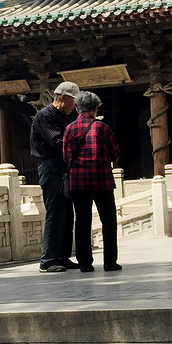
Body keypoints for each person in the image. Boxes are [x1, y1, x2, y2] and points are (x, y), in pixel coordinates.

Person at [63, 90, 122, 273]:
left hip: (78, 183)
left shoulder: (69, 129)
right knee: (108, 221)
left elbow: (65, 156)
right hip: (102, 181)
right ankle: (110, 262)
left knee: (82, 221)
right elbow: (115, 155)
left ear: (77, 109)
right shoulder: (103, 128)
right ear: (95, 109)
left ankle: (85, 263)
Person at [30, 81, 79, 273]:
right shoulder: (45, 115)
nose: (74, 107)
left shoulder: (71, 114)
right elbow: (57, 141)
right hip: (50, 165)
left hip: (66, 166)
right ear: (63, 98)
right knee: (55, 211)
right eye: (73, 102)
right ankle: (48, 259)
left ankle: (63, 256)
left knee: (68, 213)